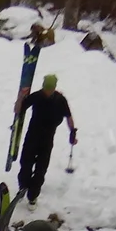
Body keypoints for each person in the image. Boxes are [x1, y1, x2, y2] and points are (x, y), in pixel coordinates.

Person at [13, 74, 77, 207]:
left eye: (49, 88)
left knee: (41, 169)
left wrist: (72, 132)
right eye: (45, 88)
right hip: (32, 136)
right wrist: (20, 96)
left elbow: (68, 116)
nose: (46, 91)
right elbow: (18, 110)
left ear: (54, 88)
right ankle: (22, 188)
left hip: (47, 140)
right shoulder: (37, 96)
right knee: (25, 164)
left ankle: (33, 197)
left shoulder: (60, 100)